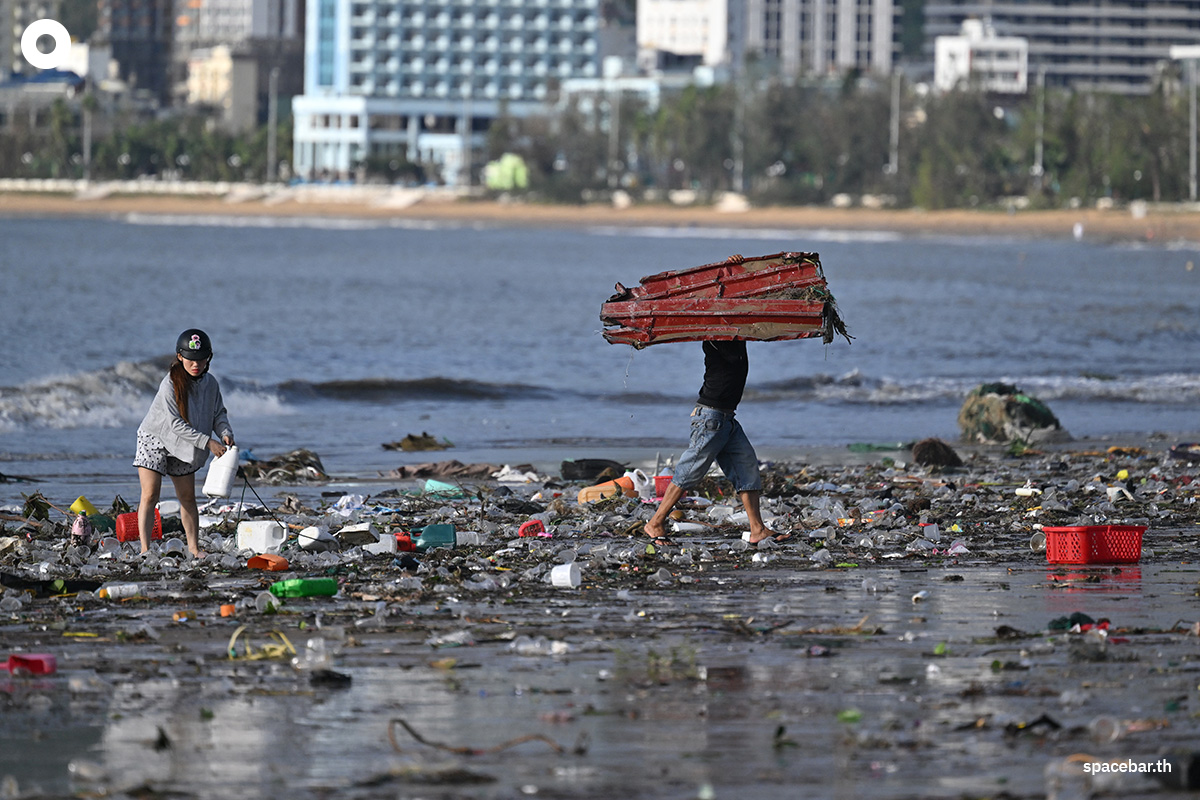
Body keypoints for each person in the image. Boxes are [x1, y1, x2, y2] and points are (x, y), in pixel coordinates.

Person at [643, 339, 788, 546]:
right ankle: (655, 522)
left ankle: (757, 529)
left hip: (727, 419)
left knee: (746, 469)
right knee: (690, 471)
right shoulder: (715, 336)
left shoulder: (738, 337)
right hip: (710, 418)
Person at [133, 329, 235, 558]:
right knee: (150, 494)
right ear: (180, 356)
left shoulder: (211, 384)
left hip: (185, 445)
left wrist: (225, 433)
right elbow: (175, 425)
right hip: (155, 439)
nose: (195, 364)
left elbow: (218, 413)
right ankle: (145, 549)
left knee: (188, 498)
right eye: (190, 359)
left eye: (201, 359)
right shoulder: (169, 384)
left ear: (209, 358)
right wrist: (208, 442)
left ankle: (194, 548)